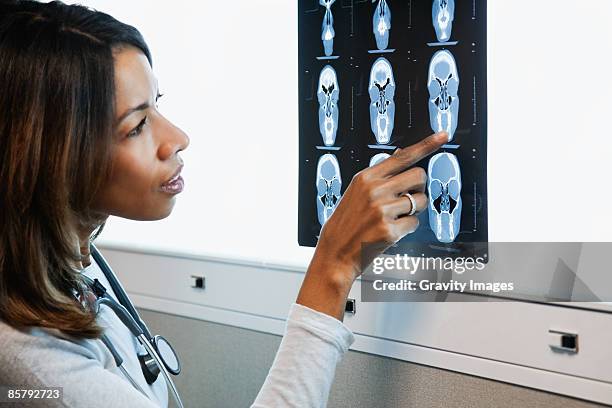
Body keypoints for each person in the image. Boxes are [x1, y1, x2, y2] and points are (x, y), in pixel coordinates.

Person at [0, 1, 447, 406]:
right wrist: (335, 263)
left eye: (157, 104)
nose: (177, 138)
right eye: (137, 126)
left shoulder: (68, 261)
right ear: (49, 156)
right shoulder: (34, 365)